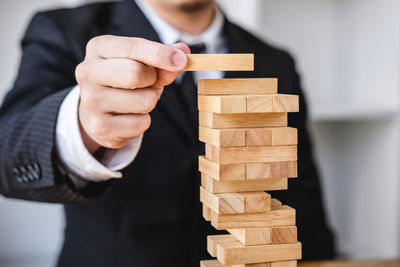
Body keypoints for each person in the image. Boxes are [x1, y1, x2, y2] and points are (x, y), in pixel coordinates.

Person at [0, 0, 336, 266]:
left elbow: (299, 192)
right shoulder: (63, 30)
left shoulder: (276, 61)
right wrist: (82, 125)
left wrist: (323, 256)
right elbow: (7, 154)